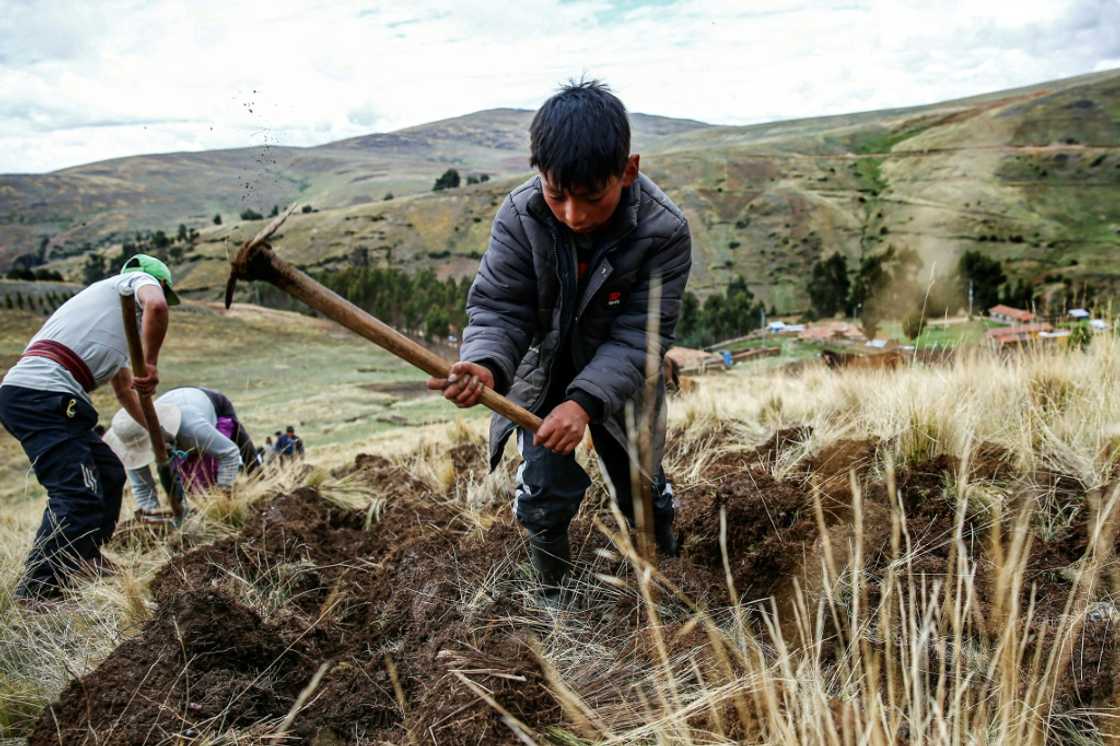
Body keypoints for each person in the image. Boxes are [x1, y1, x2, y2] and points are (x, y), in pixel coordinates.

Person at [427, 81, 692, 601]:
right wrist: (485, 364)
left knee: (640, 481)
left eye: (592, 198)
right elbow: (501, 307)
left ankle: (666, 573)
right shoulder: (521, 215)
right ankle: (553, 601)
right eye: (556, 195)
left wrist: (585, 402)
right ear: (539, 175)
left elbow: (641, 335)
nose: (572, 215)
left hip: (624, 380)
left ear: (628, 170)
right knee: (543, 491)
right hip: (543, 373)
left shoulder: (664, 231)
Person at [0, 254, 177, 602]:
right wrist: (152, 362)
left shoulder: (113, 325)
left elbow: (125, 390)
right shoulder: (131, 284)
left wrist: (161, 437)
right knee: (75, 495)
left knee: (110, 473)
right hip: (42, 395)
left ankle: (85, 555)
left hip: (52, 398)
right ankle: (37, 593)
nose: (160, 299)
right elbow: (156, 305)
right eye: (164, 292)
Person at [104, 386, 259, 511]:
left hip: (206, 403)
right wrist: (152, 515)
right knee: (191, 484)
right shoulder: (129, 434)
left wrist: (223, 495)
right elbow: (142, 487)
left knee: (214, 467)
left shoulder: (191, 427)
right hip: (173, 416)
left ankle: (258, 477)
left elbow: (229, 453)